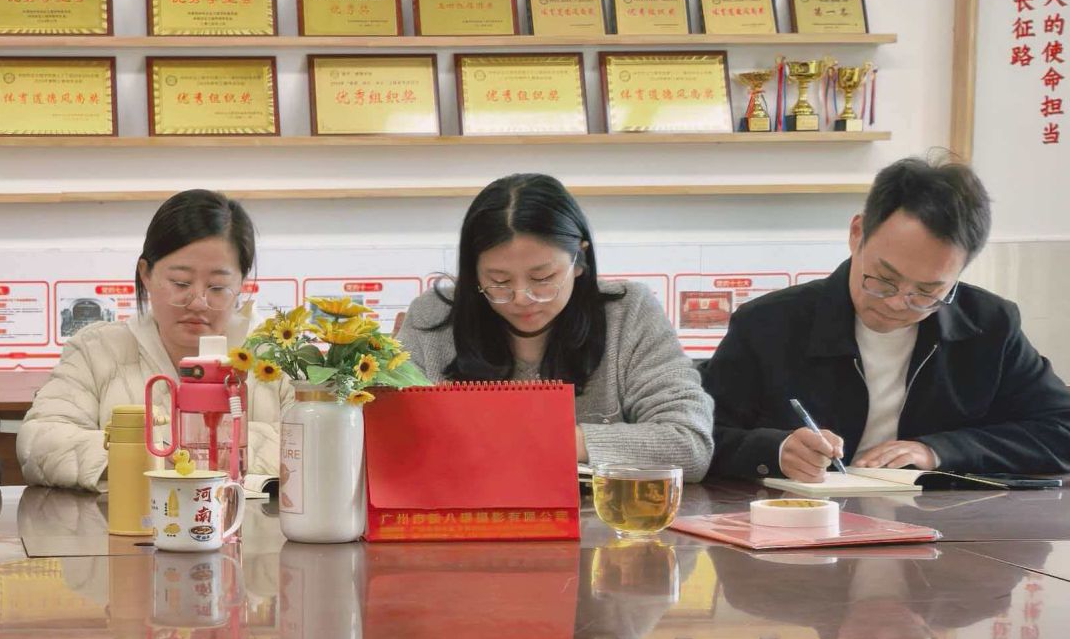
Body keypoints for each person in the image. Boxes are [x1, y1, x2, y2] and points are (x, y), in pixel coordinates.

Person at [704, 155, 1070, 482]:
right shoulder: (768, 323)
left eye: (927, 291)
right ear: (857, 234)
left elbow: (1060, 429)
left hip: (942, 523)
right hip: (802, 522)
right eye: (884, 279)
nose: (898, 303)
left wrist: (938, 451)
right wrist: (775, 450)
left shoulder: (988, 325)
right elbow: (698, 434)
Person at [399, 173, 712, 483]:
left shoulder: (628, 312)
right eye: (499, 281)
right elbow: (393, 442)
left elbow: (689, 443)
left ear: (579, 260)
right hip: (463, 510)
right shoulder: (432, 316)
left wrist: (544, 440)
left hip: (600, 513)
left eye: (543, 278)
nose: (521, 298)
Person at [19, 189, 289, 489]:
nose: (198, 302)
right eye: (181, 283)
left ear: (241, 284)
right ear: (145, 274)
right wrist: (182, 452)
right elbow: (40, 442)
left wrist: (142, 449)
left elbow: (313, 446)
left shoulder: (281, 356)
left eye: (217, 286)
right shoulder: (97, 350)